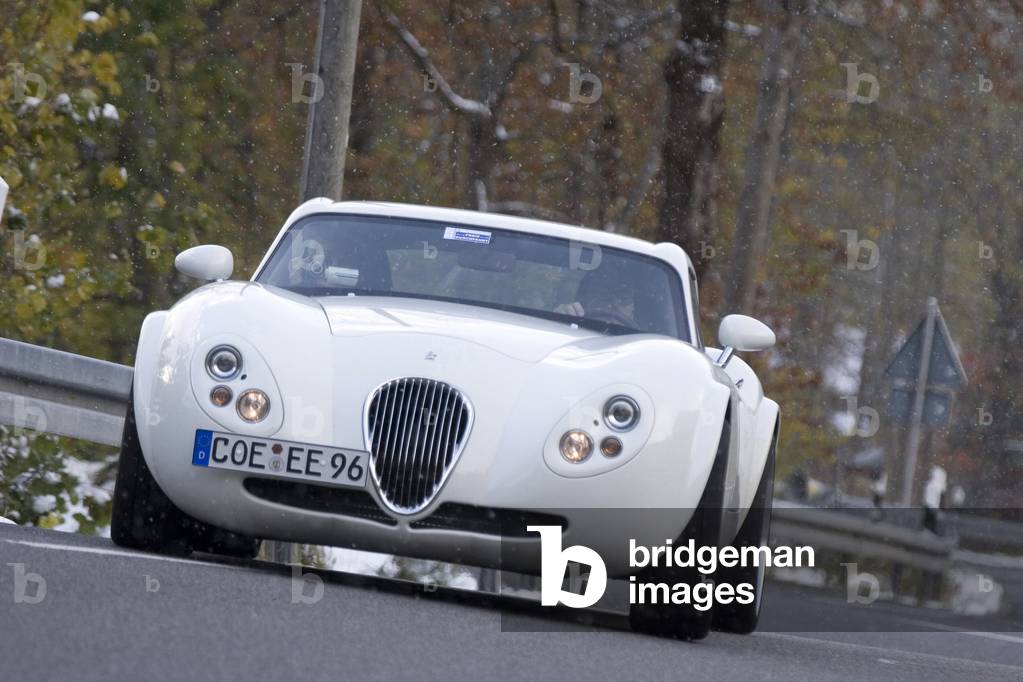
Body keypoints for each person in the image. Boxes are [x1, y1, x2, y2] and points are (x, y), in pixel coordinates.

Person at [554, 269, 637, 327]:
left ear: (633, 308)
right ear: (584, 299)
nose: (614, 304)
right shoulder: (571, 322)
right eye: (603, 295)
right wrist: (559, 320)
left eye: (624, 298)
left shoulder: (644, 343)